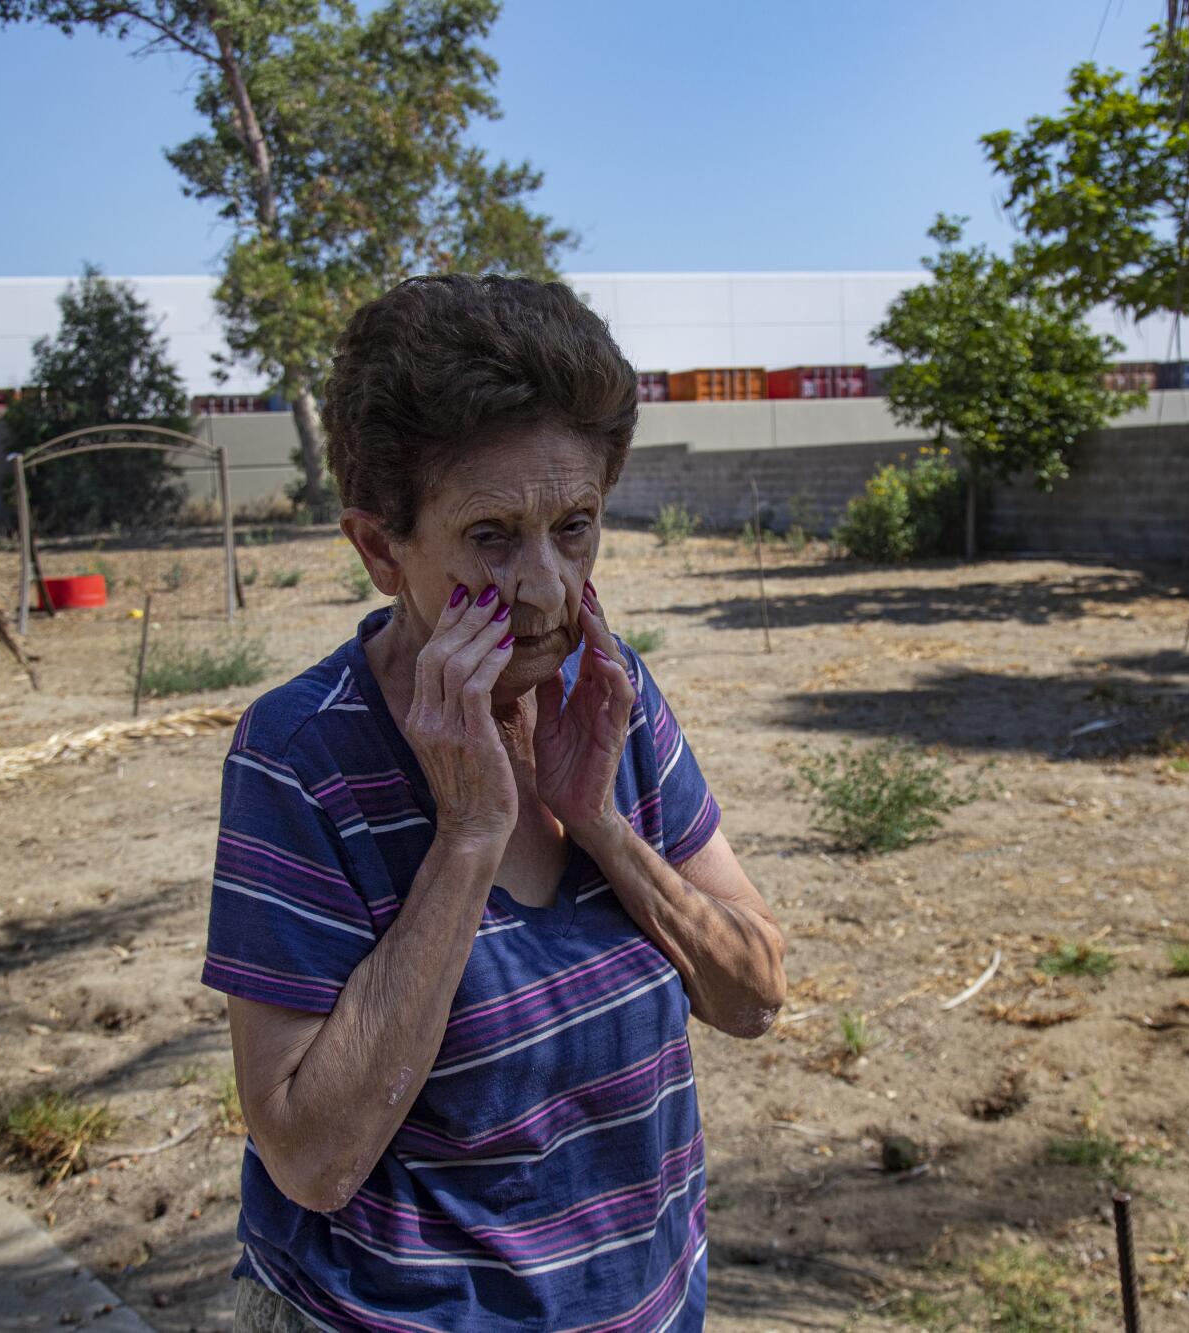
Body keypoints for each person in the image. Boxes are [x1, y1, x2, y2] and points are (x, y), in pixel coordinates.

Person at [201, 274, 787, 1332]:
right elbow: (313, 1158)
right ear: (381, 548)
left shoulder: (609, 697)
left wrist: (602, 825)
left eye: (574, 526)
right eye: (488, 537)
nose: (548, 588)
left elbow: (751, 997)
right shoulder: (300, 755)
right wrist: (467, 838)